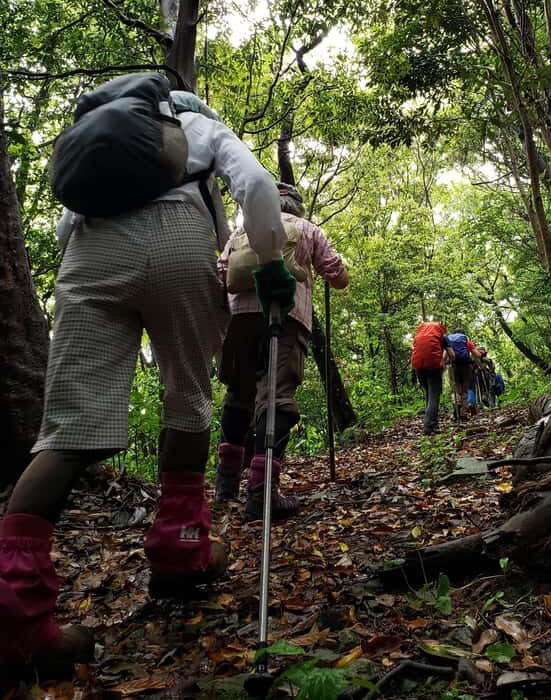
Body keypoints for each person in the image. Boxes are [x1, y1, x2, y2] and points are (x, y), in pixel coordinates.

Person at [0, 75, 295, 677]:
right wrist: (269, 264)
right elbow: (258, 186)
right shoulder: (197, 127)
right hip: (178, 244)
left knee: (66, 432)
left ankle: (17, 617)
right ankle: (180, 552)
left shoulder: (92, 154)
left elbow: (63, 226)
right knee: (188, 398)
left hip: (88, 254)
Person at [215, 183, 348, 521]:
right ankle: (262, 491)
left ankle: (225, 485)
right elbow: (337, 276)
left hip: (241, 318)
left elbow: (221, 271)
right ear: (297, 205)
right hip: (287, 316)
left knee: (238, 394)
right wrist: (336, 272)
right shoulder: (307, 229)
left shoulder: (243, 229)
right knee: (277, 396)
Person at [411, 320, 447, 434]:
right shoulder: (443, 338)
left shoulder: (418, 336)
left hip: (419, 368)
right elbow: (452, 354)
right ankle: (429, 425)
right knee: (434, 396)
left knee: (428, 394)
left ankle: (433, 423)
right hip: (434, 367)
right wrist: (446, 363)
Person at [445, 330, 480, 418]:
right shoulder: (466, 341)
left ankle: (457, 405)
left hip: (453, 366)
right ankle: (463, 413)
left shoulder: (449, 341)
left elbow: (444, 356)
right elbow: (477, 354)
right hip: (466, 366)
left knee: (456, 388)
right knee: (465, 389)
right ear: (463, 334)